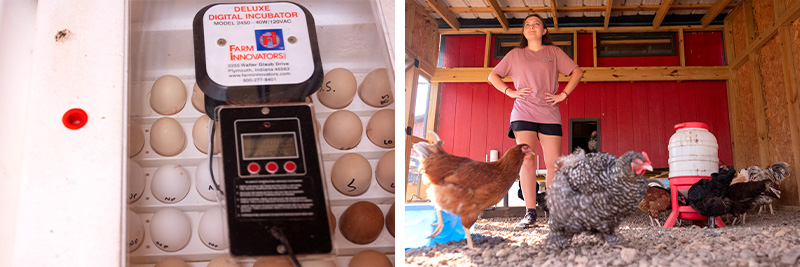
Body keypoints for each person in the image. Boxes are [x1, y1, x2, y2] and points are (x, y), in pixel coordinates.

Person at [488, 14, 583, 228]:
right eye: (527, 25)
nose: (531, 27)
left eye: (536, 24)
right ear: (524, 32)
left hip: (549, 112)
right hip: (523, 112)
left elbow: (577, 72)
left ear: (544, 31)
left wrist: (563, 95)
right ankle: (530, 212)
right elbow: (492, 76)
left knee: (554, 164)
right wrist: (509, 91)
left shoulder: (554, 53)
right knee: (527, 159)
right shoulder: (515, 54)